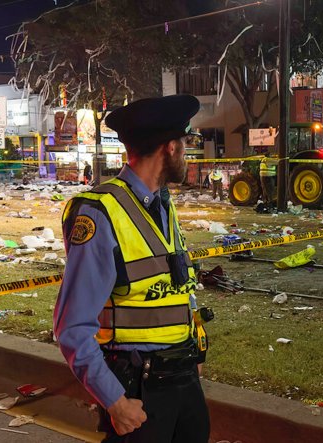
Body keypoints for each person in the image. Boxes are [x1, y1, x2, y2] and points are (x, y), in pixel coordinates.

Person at [53, 94, 210, 442]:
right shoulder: (100, 212)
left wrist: (194, 351)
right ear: (169, 148)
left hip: (183, 381)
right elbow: (72, 327)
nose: (188, 152)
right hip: (138, 390)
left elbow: (176, 286)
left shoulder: (162, 206)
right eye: (185, 143)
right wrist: (115, 402)